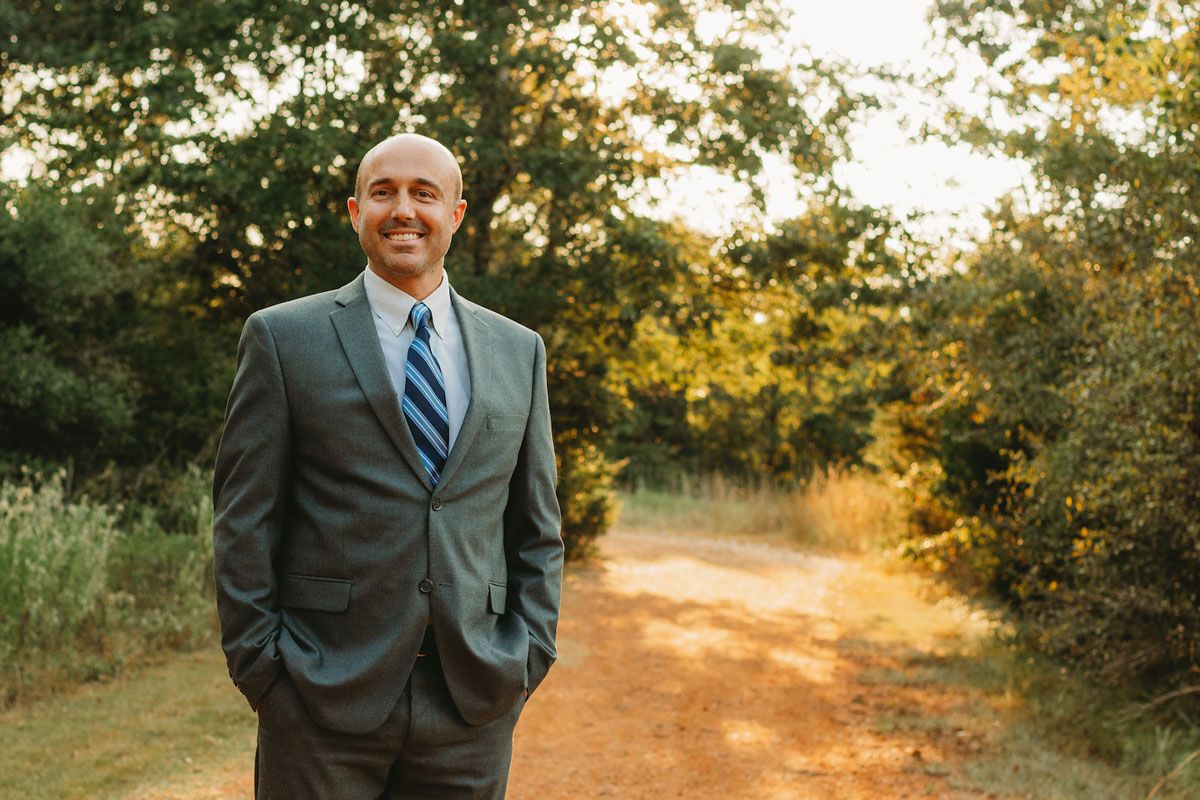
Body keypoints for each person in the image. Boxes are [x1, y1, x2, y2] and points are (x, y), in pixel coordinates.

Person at [212, 133, 564, 799]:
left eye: (423, 194)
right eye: (384, 193)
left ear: (455, 215)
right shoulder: (283, 338)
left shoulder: (520, 351)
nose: (403, 209)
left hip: (470, 707)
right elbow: (243, 522)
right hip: (319, 700)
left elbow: (536, 528)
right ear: (355, 211)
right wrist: (265, 674)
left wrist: (526, 659)